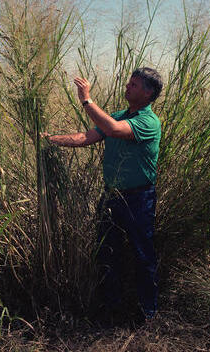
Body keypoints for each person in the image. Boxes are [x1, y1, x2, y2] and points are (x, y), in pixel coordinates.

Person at [44, 67, 163, 324]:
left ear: (148, 92)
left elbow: (113, 129)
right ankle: (111, 307)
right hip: (111, 197)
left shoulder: (148, 121)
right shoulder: (119, 115)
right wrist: (51, 139)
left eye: (134, 84)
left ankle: (148, 313)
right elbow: (86, 137)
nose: (127, 86)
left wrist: (86, 99)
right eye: (129, 82)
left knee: (143, 255)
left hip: (139, 199)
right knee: (107, 252)